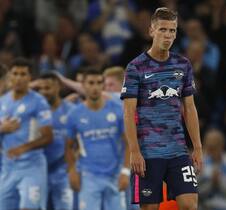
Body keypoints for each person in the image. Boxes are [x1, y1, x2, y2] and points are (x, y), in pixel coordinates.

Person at [121, 7, 203, 210]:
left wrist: (198, 147)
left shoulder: (182, 65)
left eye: (172, 30)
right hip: (148, 152)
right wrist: (134, 151)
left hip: (178, 150)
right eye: (163, 29)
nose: (168, 35)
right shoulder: (135, 67)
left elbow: (189, 108)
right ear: (151, 31)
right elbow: (128, 113)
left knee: (190, 205)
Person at [65, 69, 130, 210]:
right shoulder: (74, 114)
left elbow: (128, 142)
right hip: (88, 176)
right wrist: (71, 170)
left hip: (115, 174)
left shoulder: (118, 110)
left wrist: (125, 171)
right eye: (91, 83)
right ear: (83, 85)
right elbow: (69, 146)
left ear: (102, 85)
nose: (95, 87)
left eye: (99, 83)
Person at [0, 57, 53, 210]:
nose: (18, 78)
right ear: (9, 76)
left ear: (30, 78)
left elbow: (48, 137)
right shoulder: (2, 102)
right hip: (8, 168)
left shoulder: (39, 102)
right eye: (15, 73)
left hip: (32, 167)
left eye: (23, 74)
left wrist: (23, 148)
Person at [37, 73, 75, 210]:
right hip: (39, 171)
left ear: (58, 87)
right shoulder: (35, 112)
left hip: (63, 172)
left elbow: (78, 143)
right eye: (40, 89)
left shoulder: (71, 111)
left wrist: (72, 168)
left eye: (47, 88)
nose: (43, 92)